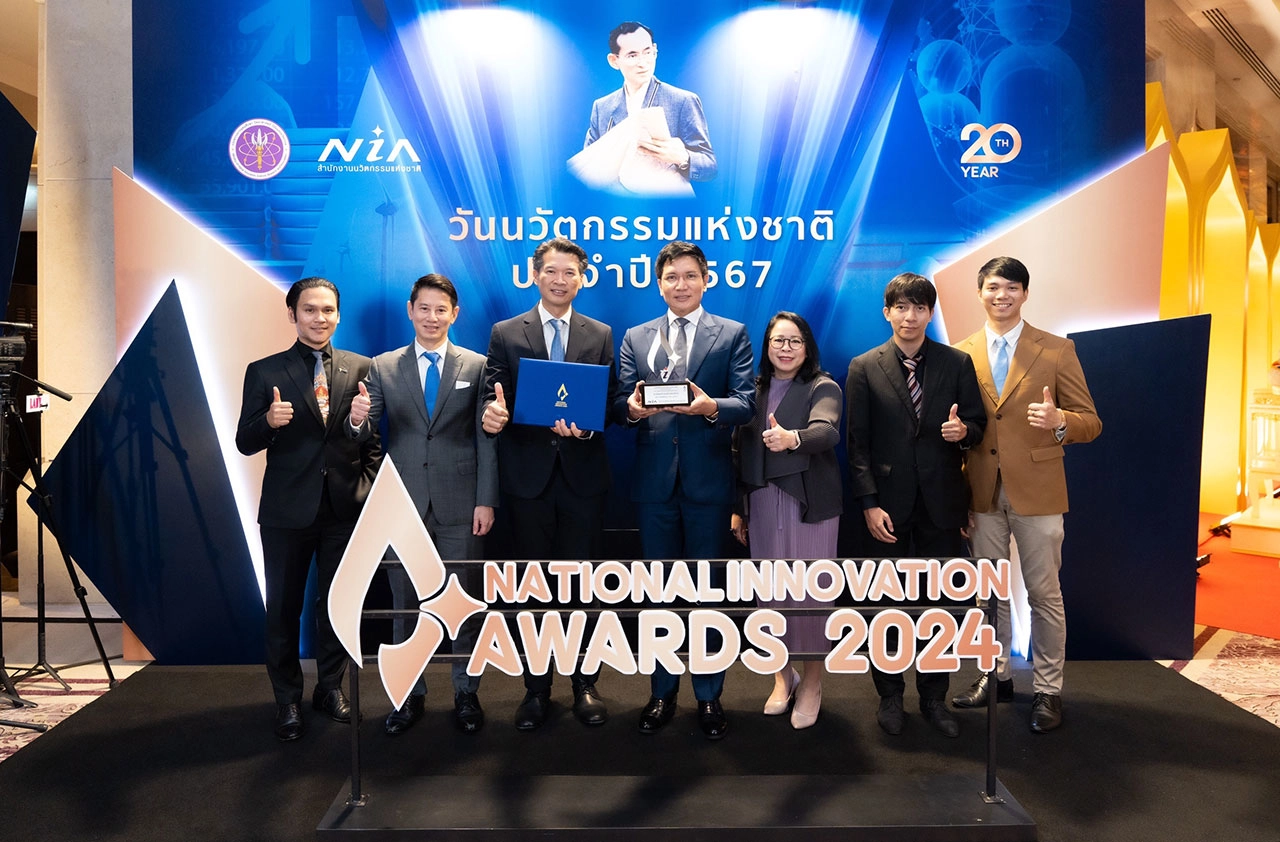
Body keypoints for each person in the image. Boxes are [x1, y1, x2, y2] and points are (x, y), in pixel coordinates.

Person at [951, 256, 1101, 734]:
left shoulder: (1056, 349)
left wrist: (1060, 422)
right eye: (994, 287)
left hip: (1039, 491)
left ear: (1025, 294)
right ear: (980, 293)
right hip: (981, 492)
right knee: (987, 595)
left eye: (1012, 287)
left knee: (1044, 594)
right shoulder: (960, 353)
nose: (1002, 296)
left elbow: (1090, 422)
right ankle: (994, 677)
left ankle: (1048, 690)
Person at [613, 240, 755, 740]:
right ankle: (661, 692)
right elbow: (620, 404)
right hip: (654, 487)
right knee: (659, 594)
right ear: (659, 283)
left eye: (690, 275)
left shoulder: (732, 333)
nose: (681, 284)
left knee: (707, 594)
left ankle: (709, 695)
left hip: (708, 485)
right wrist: (633, 410)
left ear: (706, 280)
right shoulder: (636, 336)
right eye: (671, 276)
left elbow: (746, 404)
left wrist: (709, 407)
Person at [346, 273, 497, 735]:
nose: (432, 317)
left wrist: (486, 500)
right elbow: (365, 429)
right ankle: (407, 694)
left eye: (441, 310)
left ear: (455, 314)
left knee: (465, 603)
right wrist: (357, 421)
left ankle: (466, 693)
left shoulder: (478, 365)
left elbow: (486, 437)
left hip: (462, 503)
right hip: (402, 505)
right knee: (404, 606)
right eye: (424, 308)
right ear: (410, 310)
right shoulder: (383, 366)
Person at [480, 237, 618, 731]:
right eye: (552, 271)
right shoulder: (505, 332)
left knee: (584, 585)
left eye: (570, 272)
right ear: (535, 275)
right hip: (527, 479)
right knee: (531, 587)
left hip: (583, 477)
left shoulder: (599, 333)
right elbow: (492, 394)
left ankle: (585, 683)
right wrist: (493, 413)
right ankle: (536, 688)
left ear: (582, 278)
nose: (561, 280)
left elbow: (611, 400)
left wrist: (588, 427)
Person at [235, 277, 380, 741]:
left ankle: (330, 689)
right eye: (310, 310)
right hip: (286, 511)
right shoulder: (264, 371)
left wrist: (358, 429)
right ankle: (287, 700)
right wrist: (268, 422)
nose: (320, 318)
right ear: (292, 314)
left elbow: (372, 442)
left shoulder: (362, 367)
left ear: (339, 315)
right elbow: (244, 441)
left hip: (343, 509)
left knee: (336, 606)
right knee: (283, 608)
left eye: (328, 310)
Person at [845, 272, 986, 739]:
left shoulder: (956, 362)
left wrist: (963, 432)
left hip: (942, 503)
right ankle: (890, 696)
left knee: (939, 606)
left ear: (930, 313)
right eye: (901, 307)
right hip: (886, 506)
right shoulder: (864, 366)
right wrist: (868, 503)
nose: (910, 316)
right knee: (885, 605)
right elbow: (857, 444)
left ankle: (933, 698)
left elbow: (977, 425)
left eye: (919, 307)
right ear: (887, 312)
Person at [731, 312, 841, 730]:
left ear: (807, 347)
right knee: (770, 596)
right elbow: (738, 452)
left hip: (810, 505)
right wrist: (739, 507)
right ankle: (783, 677)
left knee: (812, 596)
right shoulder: (752, 389)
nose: (786, 348)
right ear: (767, 346)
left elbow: (826, 431)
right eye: (778, 340)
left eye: (795, 341)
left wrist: (793, 438)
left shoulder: (822, 386)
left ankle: (812, 684)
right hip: (760, 503)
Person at [584, 21, 716, 184]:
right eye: (632, 55)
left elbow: (710, 167)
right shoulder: (602, 107)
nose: (643, 63)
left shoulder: (683, 101)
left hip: (666, 197)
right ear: (614, 60)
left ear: (655, 51)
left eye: (647, 52)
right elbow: (587, 167)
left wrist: (683, 158)